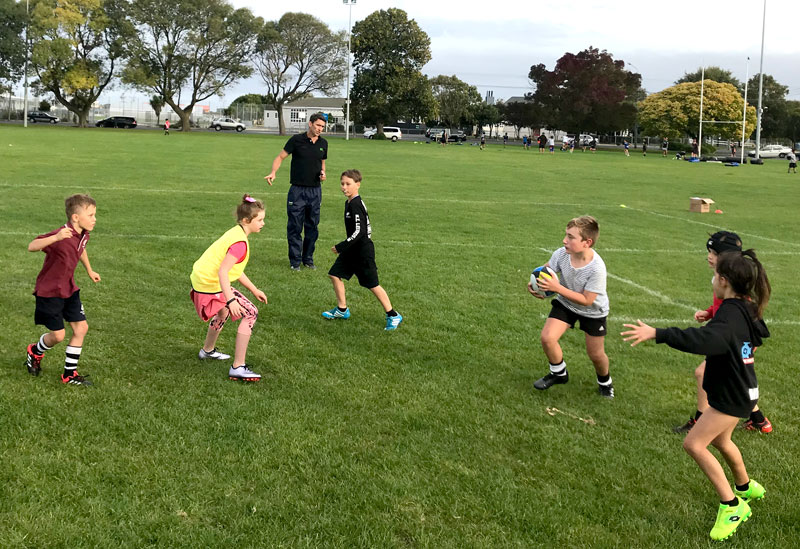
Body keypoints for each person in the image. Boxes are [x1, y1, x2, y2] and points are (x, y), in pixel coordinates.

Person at [622, 249, 771, 541]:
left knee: (694, 444)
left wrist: (658, 333)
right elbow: (756, 333)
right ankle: (745, 487)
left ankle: (732, 506)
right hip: (743, 389)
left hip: (732, 394)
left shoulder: (729, 317)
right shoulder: (744, 306)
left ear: (724, 281)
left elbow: (706, 339)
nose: (712, 279)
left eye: (715, 275)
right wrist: (715, 318)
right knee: (722, 440)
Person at [673, 231, 772, 434]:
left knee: (703, 373)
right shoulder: (720, 279)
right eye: (709, 251)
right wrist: (709, 313)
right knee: (734, 381)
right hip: (728, 335)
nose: (709, 256)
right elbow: (723, 305)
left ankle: (700, 419)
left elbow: (741, 311)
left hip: (736, 338)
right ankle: (760, 420)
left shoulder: (732, 281)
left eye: (714, 253)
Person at [527, 216, 613, 398]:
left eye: (571, 237)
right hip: (566, 304)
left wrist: (557, 288)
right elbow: (547, 270)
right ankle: (559, 373)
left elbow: (587, 300)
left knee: (596, 354)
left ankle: (605, 382)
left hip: (593, 311)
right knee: (547, 338)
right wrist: (536, 284)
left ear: (587, 242)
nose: (564, 240)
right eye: (566, 235)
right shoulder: (561, 254)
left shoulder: (596, 268)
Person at [24, 194, 101, 386]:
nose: (94, 219)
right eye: (90, 215)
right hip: (49, 291)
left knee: (81, 328)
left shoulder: (82, 234)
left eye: (94, 215)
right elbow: (31, 246)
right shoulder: (61, 234)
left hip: (69, 288)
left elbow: (80, 248)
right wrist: (55, 238)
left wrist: (89, 270)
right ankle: (35, 351)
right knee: (58, 336)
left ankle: (69, 375)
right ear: (76, 217)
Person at [190, 195, 268, 381]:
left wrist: (254, 289)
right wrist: (231, 300)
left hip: (202, 280)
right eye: (259, 220)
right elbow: (223, 272)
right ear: (246, 221)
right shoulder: (239, 244)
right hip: (210, 283)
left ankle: (207, 351)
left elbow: (233, 269)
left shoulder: (236, 232)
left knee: (222, 313)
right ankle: (238, 367)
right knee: (250, 313)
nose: (263, 223)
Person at [322, 169, 403, 331]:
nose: (344, 187)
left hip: (362, 251)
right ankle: (342, 309)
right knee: (334, 274)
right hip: (352, 250)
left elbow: (360, 232)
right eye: (342, 184)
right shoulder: (349, 203)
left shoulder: (356, 205)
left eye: (348, 184)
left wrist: (341, 246)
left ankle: (393, 315)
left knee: (372, 284)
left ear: (357, 185)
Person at [265, 113, 328, 271]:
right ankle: (295, 262)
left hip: (315, 191)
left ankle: (308, 259)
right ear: (310, 124)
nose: (320, 129)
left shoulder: (324, 143)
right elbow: (280, 157)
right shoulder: (296, 140)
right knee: (295, 226)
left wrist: (323, 174)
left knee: (312, 226)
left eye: (322, 126)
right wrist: (273, 172)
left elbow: (322, 163)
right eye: (318, 125)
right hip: (297, 191)